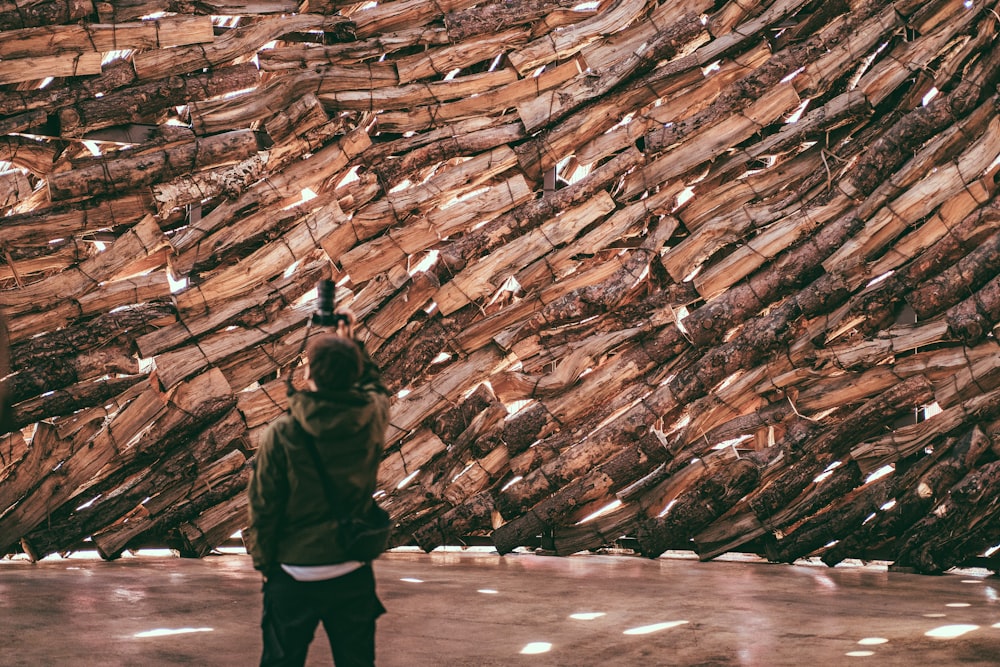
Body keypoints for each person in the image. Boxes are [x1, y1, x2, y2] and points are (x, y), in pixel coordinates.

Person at [245, 313, 391, 667]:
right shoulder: (370, 418)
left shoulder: (283, 433)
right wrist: (353, 343)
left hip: (293, 572)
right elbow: (377, 388)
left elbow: (263, 506)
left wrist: (265, 563)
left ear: (307, 373)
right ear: (354, 373)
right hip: (351, 569)